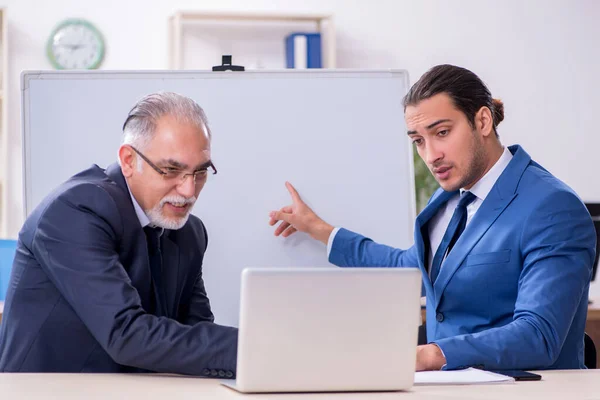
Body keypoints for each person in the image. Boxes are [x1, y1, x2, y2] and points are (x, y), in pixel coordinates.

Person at [268, 65, 596, 371]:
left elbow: (537, 335)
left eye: (441, 132)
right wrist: (320, 230)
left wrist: (429, 354)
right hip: (447, 386)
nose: (430, 155)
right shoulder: (450, 196)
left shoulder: (552, 207)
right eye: (418, 141)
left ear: (483, 121)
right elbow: (411, 270)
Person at [0, 92, 237, 376]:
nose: (189, 191)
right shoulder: (75, 210)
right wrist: (256, 347)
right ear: (128, 160)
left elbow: (197, 333)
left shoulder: (189, 232)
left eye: (200, 172)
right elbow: (125, 333)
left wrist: (276, 350)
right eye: (171, 170)